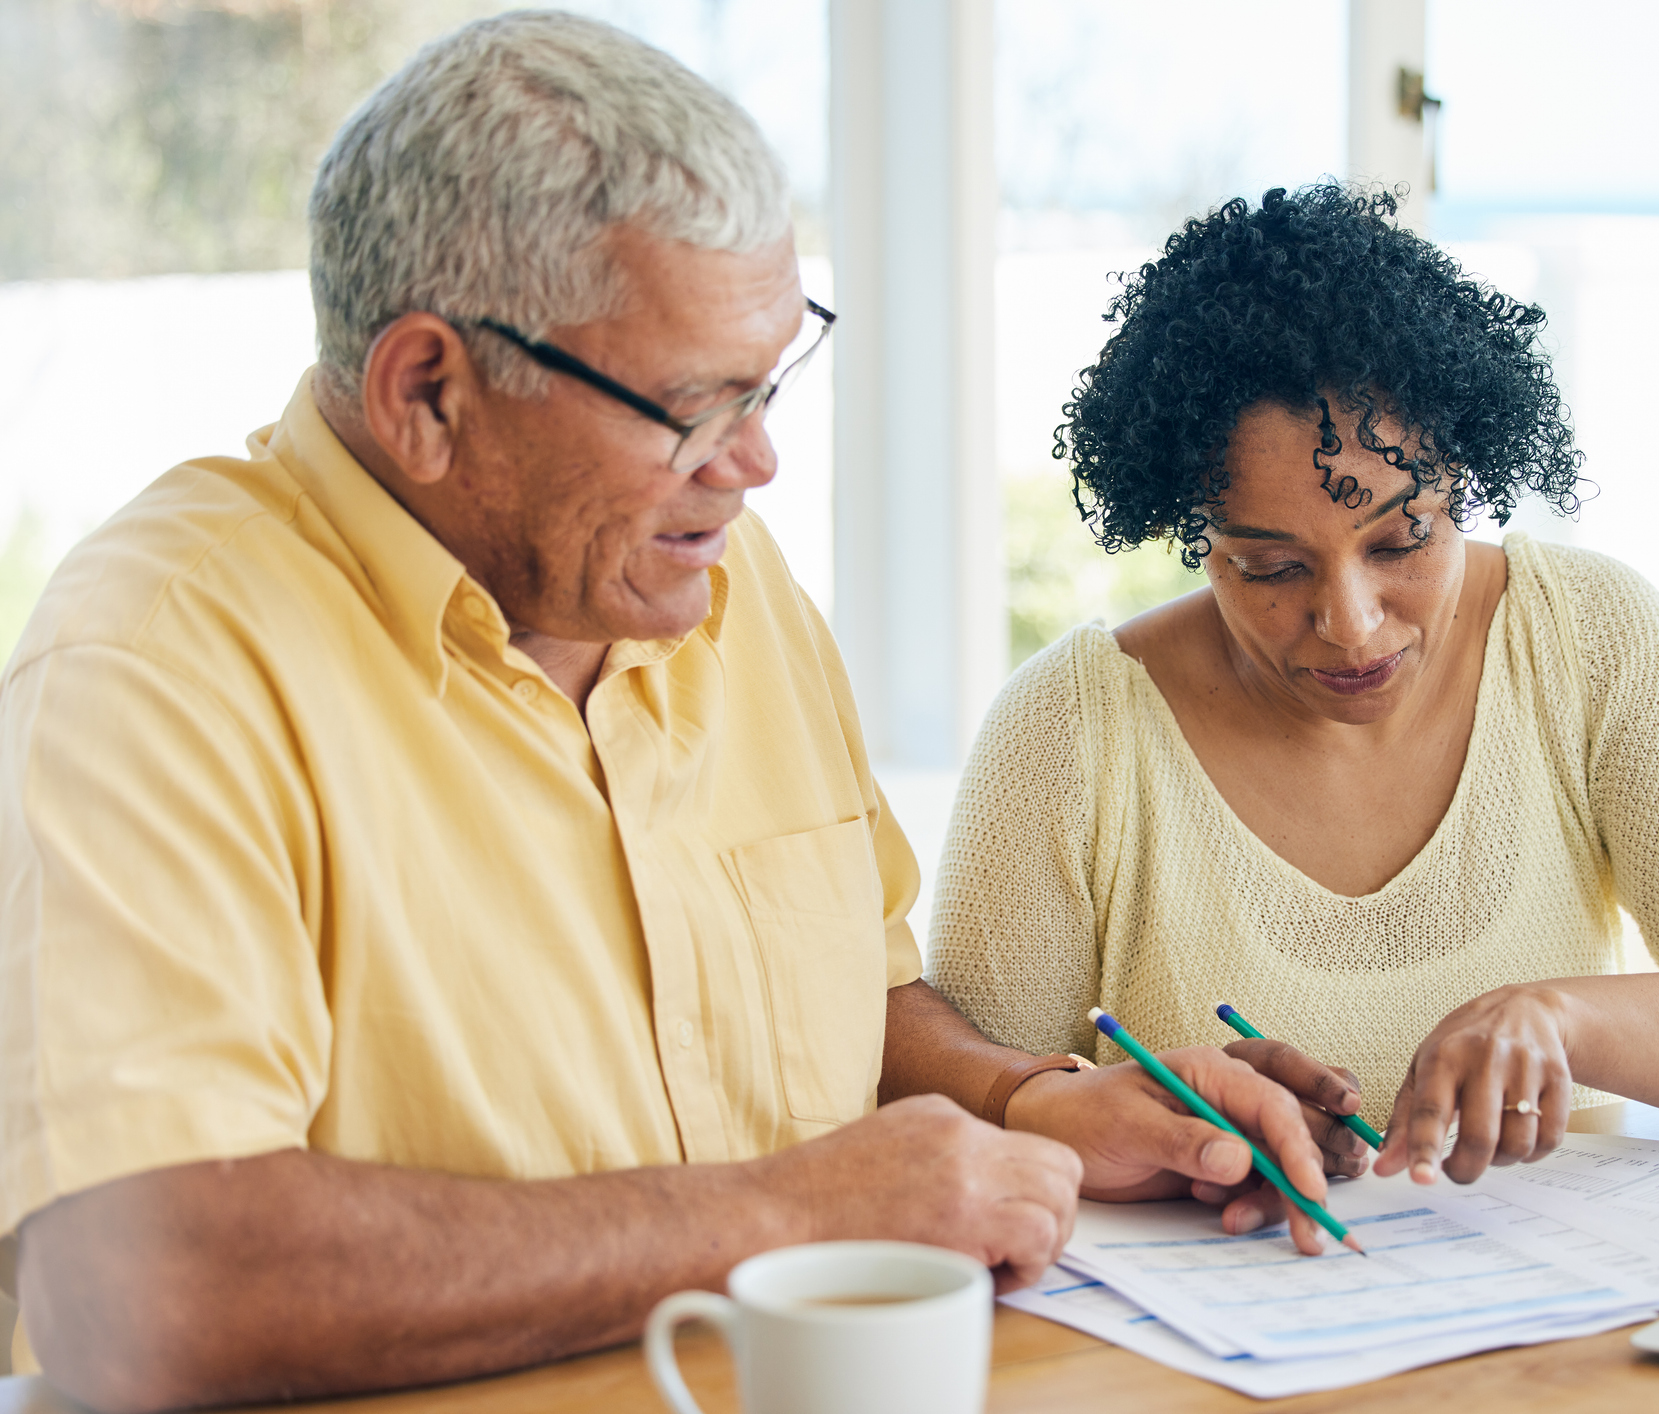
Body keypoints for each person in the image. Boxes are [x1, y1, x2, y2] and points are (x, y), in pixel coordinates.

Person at [0, 17, 1333, 1411]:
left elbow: (852, 999)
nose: (754, 462)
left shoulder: (714, 578)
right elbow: (148, 1286)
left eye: (772, 379)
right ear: (428, 393)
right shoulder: (156, 661)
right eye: (695, 408)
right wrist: (780, 1212)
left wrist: (1027, 1099)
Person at [927, 184, 1659, 1236]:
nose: (1350, 623)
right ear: (1193, 533)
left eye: (1402, 539)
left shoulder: (1585, 637)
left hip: (1547, 1333)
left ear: (1464, 474)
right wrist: (1125, 1115)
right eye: (1269, 566)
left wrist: (1560, 1019)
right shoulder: (1068, 731)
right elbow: (961, 1117)